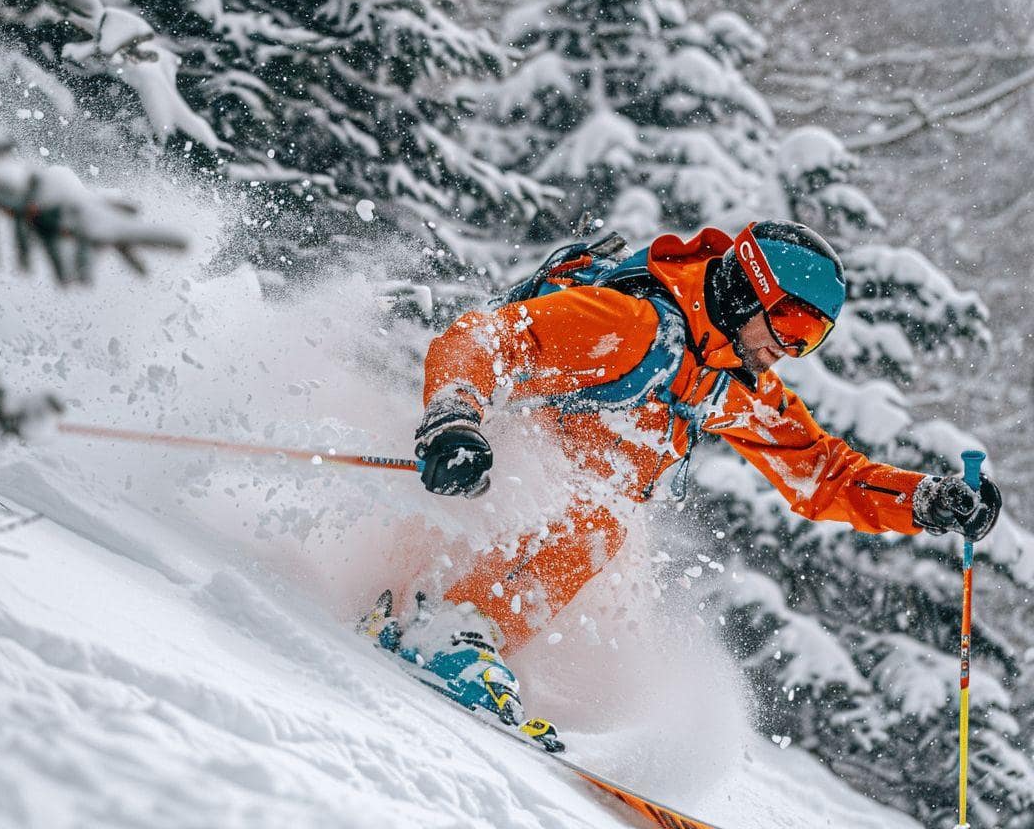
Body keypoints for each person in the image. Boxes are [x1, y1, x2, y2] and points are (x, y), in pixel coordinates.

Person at [362, 221, 1001, 750]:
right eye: (789, 324)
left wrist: (924, 501)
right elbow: (488, 340)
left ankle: (464, 630)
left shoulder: (730, 381)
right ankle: (440, 624)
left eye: (810, 338)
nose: (789, 349)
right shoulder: (631, 325)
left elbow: (821, 474)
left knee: (605, 526)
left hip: (552, 496)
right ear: (749, 289)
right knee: (595, 517)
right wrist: (454, 420)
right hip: (485, 456)